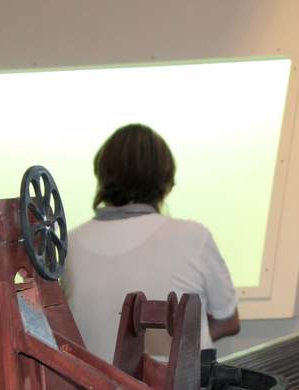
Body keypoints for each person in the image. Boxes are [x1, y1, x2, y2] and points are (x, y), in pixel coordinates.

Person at [62, 123, 239, 361]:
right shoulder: (194, 237)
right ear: (166, 181)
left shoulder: (68, 245)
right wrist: (179, 352)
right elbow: (228, 320)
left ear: (101, 175)